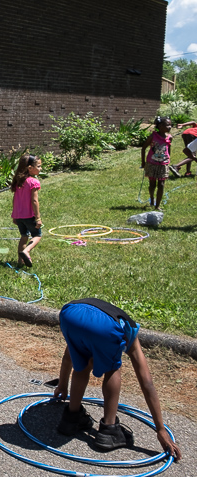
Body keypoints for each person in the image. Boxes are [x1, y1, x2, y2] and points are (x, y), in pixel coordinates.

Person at [53, 298, 182, 461]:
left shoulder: (87, 328)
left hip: (70, 313)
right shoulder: (131, 333)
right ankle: (109, 429)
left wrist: (62, 386)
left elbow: (68, 357)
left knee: (83, 362)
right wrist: (161, 430)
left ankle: (71, 418)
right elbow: (147, 382)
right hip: (103, 325)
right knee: (113, 368)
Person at [10, 154, 42, 268]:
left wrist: (14, 215)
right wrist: (38, 218)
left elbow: (15, 200)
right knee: (37, 235)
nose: (40, 168)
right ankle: (26, 251)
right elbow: (34, 201)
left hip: (19, 216)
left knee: (24, 236)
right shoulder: (33, 182)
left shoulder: (18, 181)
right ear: (29, 168)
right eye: (38, 166)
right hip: (29, 216)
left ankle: (20, 261)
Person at [141, 116, 172, 211]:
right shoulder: (153, 136)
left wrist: (168, 158)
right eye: (167, 125)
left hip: (163, 164)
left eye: (171, 125)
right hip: (152, 163)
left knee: (161, 184)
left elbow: (168, 148)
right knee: (152, 184)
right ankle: (152, 199)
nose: (170, 127)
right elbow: (143, 148)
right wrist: (143, 162)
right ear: (160, 126)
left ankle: (157, 205)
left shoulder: (169, 137)